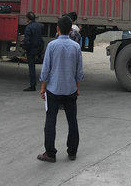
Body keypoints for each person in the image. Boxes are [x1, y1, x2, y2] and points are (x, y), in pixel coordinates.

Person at [37, 15, 84, 163]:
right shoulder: (76, 47)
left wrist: (43, 88)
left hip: (54, 90)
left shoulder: (52, 46)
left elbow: (46, 70)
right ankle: (72, 152)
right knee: (72, 121)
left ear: (57, 29)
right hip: (70, 89)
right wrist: (77, 88)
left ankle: (50, 153)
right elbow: (79, 72)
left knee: (50, 121)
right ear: (70, 30)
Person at [22, 11, 44, 92]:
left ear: (28, 19)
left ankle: (32, 85)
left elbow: (27, 40)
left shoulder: (28, 27)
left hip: (31, 49)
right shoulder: (39, 25)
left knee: (31, 68)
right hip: (38, 48)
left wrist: (25, 49)